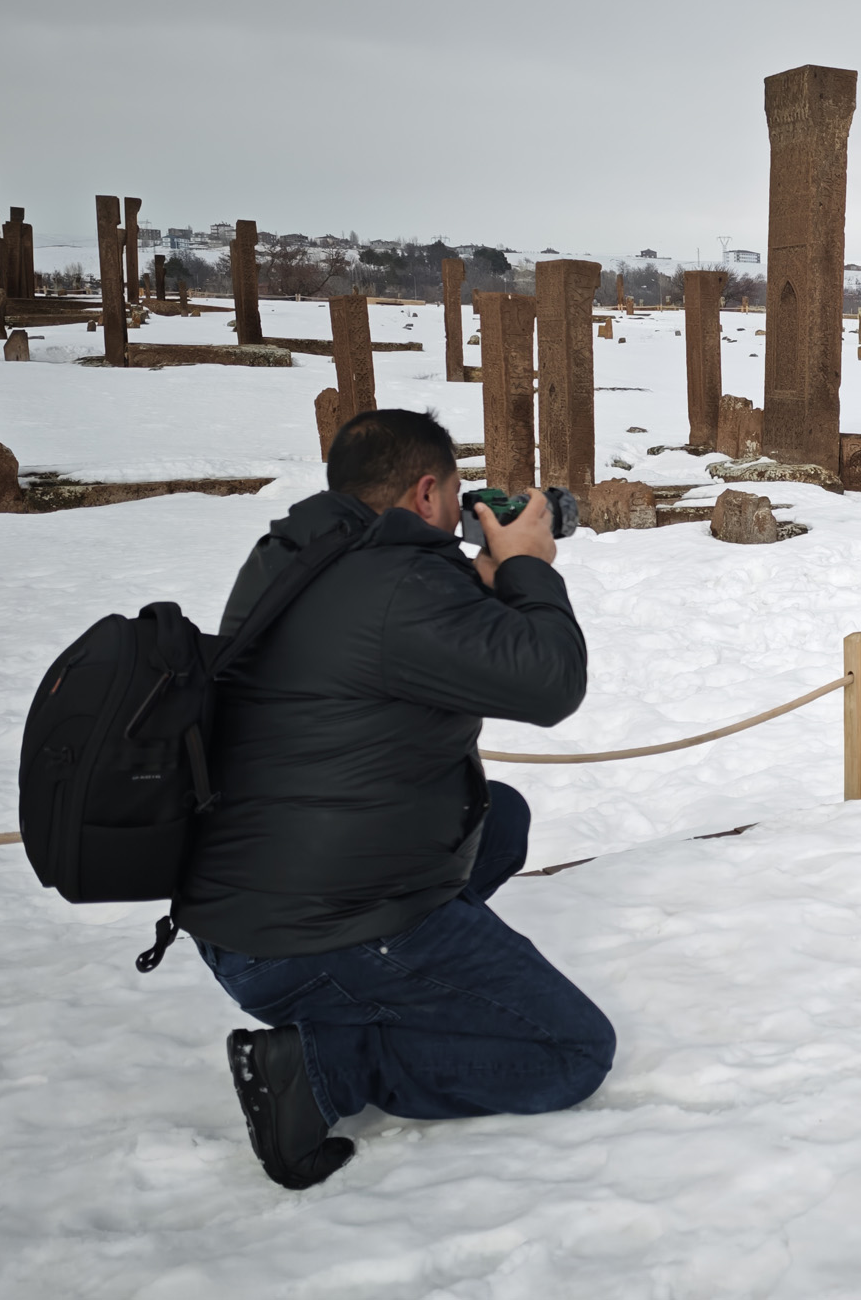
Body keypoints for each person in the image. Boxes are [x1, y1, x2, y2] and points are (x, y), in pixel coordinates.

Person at [176, 408, 608, 1189]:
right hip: (309, 934)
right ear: (425, 493)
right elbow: (551, 683)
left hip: (239, 911)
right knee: (572, 1053)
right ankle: (322, 1067)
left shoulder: (295, 554)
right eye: (454, 494)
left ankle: (407, 983)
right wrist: (528, 567)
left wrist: (479, 585)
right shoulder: (404, 586)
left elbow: (383, 640)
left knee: (500, 816)